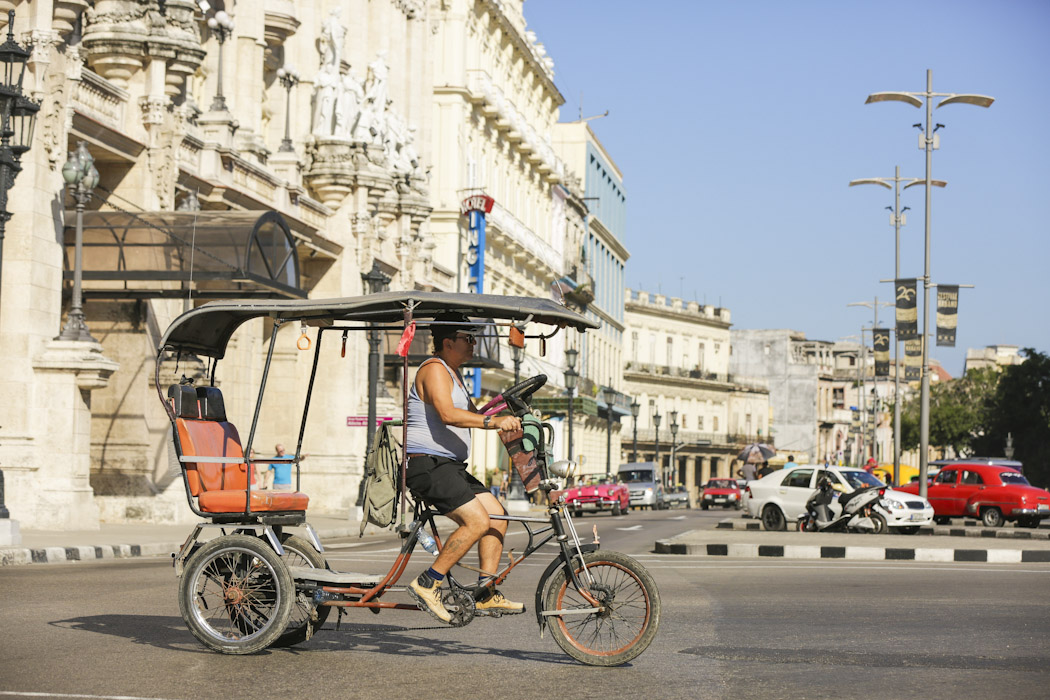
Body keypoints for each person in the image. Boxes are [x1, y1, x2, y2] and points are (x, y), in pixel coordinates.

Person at [404, 315, 523, 624]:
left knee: (497, 515)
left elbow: (474, 415)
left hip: (449, 466)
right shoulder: (434, 369)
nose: (473, 344)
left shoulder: (453, 374)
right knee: (477, 521)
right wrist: (494, 421)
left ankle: (485, 592)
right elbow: (447, 414)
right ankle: (428, 582)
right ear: (448, 342)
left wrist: (510, 407)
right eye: (467, 338)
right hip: (427, 465)